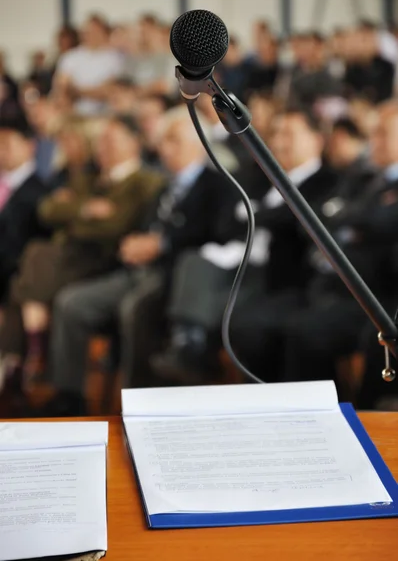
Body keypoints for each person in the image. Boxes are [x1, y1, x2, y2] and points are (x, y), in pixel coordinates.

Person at [42, 106, 237, 416]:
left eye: (173, 139)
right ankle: (70, 395)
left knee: (135, 309)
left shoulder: (219, 185)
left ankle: (136, 405)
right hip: (136, 270)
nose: (164, 147)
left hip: (175, 276)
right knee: (71, 303)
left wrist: (162, 244)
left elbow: (218, 235)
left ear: (197, 142)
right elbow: (144, 227)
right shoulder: (164, 186)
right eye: (163, 140)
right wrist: (135, 242)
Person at [153, 108, 337, 384]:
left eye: (289, 134)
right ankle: (190, 346)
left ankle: (202, 357)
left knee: (244, 323)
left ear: (316, 140)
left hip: (284, 279)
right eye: (275, 134)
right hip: (240, 263)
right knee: (191, 263)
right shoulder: (258, 177)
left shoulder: (328, 182)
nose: (279, 142)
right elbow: (226, 224)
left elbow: (298, 223)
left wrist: (256, 215)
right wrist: (261, 216)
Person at [0, 114, 164, 390]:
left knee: (35, 261)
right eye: (100, 141)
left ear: (134, 142)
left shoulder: (146, 182)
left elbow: (115, 226)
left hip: (105, 260)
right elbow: (48, 210)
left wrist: (73, 214)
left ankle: (25, 356)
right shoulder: (88, 177)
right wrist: (86, 209)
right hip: (70, 258)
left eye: (110, 140)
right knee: (36, 260)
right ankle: (27, 359)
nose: (102, 147)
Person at [284, 101, 398, 389]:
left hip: (377, 292)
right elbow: (326, 215)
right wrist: (354, 222)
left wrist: (352, 220)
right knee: (284, 321)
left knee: (306, 331)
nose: (375, 142)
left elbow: (375, 222)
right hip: (336, 285)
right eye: (374, 134)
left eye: (383, 134)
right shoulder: (368, 178)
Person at [0, 120, 47, 303]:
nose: (1, 151)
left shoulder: (37, 192)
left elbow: (15, 246)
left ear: (30, 146)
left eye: (7, 144)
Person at [54, 14, 123, 115]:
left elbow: (109, 90)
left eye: (95, 32)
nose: (91, 35)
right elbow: (62, 87)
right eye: (87, 32)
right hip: (73, 113)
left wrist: (77, 91)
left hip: (105, 113)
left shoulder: (115, 59)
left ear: (104, 32)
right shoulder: (70, 57)